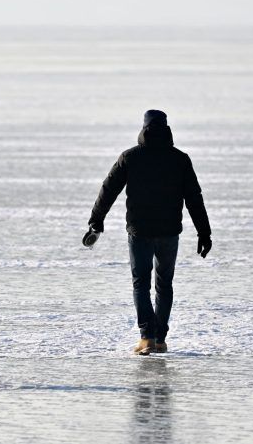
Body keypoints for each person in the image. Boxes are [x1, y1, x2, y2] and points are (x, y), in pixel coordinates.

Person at [85, 109, 212, 355]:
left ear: (143, 128)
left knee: (141, 284)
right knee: (164, 284)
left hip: (139, 231)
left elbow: (108, 190)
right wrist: (204, 233)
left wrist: (96, 220)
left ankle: (147, 338)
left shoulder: (130, 157)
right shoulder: (179, 159)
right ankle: (160, 338)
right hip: (168, 232)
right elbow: (194, 199)